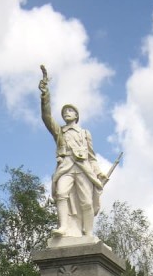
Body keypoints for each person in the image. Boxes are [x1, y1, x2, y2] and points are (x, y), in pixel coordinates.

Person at [39, 66, 107, 238]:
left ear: (76, 115)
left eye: (70, 111)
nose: (66, 113)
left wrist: (99, 173)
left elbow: (92, 157)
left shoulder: (85, 133)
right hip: (66, 167)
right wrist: (45, 93)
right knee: (61, 193)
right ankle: (63, 226)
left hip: (83, 168)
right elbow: (46, 117)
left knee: (86, 201)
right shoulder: (59, 131)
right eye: (64, 112)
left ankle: (88, 232)